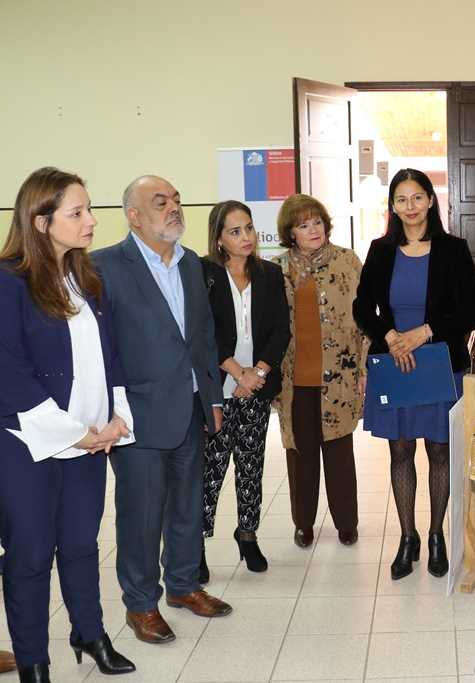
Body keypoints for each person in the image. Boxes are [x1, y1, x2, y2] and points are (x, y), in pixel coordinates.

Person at [0, 168, 135, 682]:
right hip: (27, 445)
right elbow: (8, 371)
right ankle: (33, 661)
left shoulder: (88, 279)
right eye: (76, 213)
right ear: (40, 221)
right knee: (31, 555)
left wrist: (118, 419)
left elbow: (110, 359)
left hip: (90, 440)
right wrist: (75, 432)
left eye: (88, 209)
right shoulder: (8, 282)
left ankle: (90, 633)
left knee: (81, 544)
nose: (90, 221)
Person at [92, 175, 232, 646]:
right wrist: (111, 411)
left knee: (188, 504)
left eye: (175, 199)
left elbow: (203, 335)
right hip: (137, 415)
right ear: (133, 215)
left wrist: (212, 396)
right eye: (160, 202)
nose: (173, 207)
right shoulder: (104, 267)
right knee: (142, 512)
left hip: (191, 406)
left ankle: (184, 585)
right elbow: (99, 350)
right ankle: (141, 603)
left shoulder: (192, 263)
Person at [354, 168, 475, 580]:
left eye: (416, 198)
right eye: (401, 200)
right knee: (400, 452)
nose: (409, 207)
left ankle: (435, 536)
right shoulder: (380, 250)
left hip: (438, 362)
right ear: (392, 207)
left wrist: (424, 332)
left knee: (439, 451)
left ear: (430, 200)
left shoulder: (453, 249)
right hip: (394, 363)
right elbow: (362, 308)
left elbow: (471, 309)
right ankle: (407, 536)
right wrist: (391, 336)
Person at [198, 201, 290, 581]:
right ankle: (195, 545)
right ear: (219, 239)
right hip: (218, 389)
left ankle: (247, 534)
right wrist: (237, 373)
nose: (246, 237)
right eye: (235, 231)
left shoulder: (270, 273)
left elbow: (280, 330)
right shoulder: (204, 274)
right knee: (210, 471)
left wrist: (258, 374)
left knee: (251, 466)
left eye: (249, 228)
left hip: (257, 388)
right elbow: (202, 332)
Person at [272, 194, 366, 549]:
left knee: (340, 453)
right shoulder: (277, 268)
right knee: (300, 455)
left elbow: (365, 316)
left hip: (339, 377)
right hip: (294, 380)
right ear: (290, 232)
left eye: (317, 222)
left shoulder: (347, 261)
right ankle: (303, 523)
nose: (313, 230)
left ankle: (347, 522)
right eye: (303, 225)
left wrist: (364, 368)